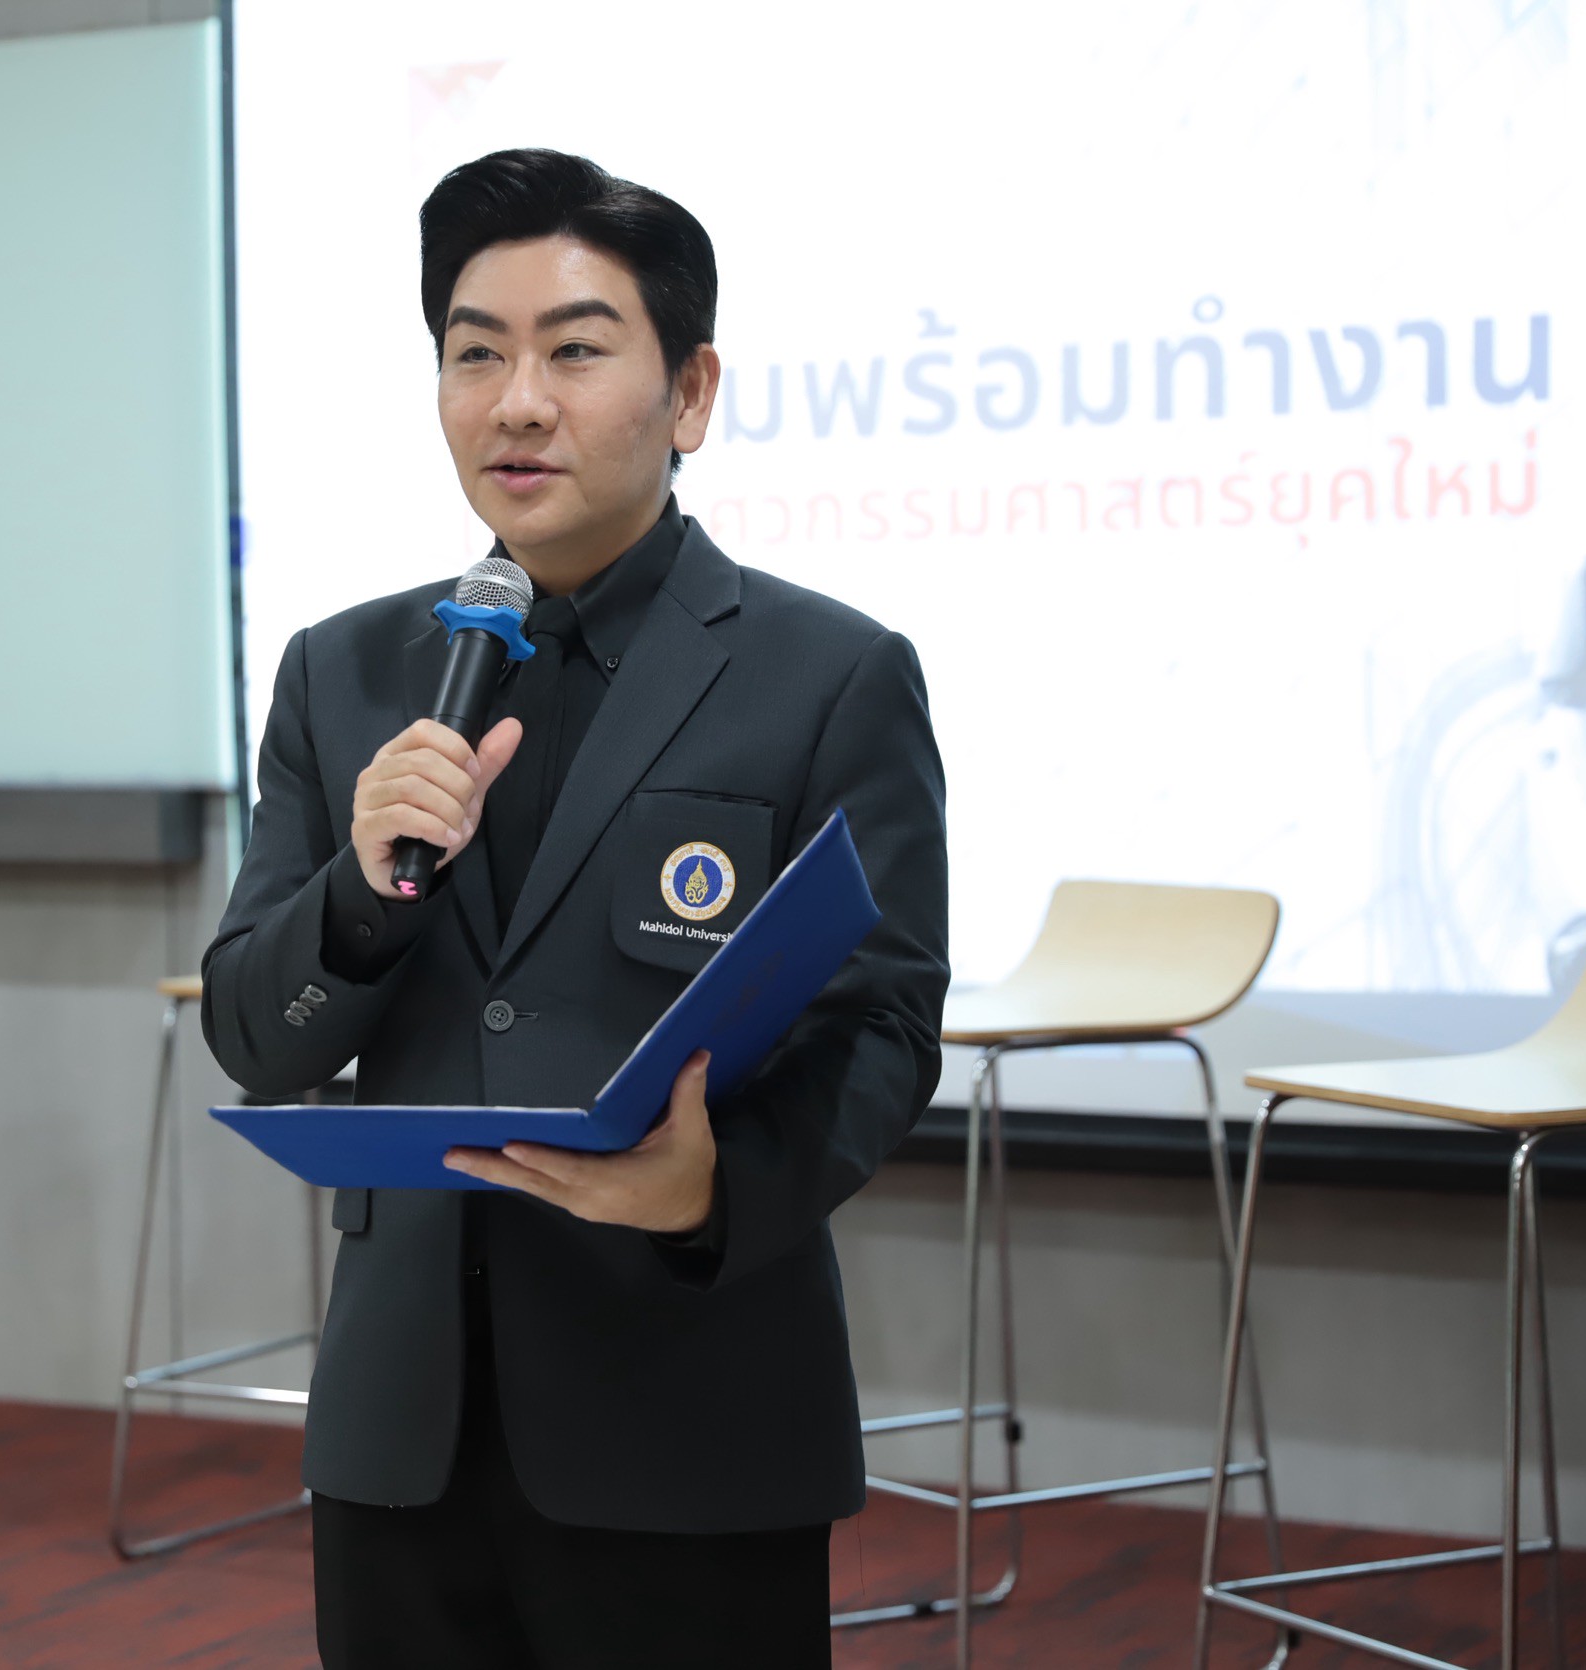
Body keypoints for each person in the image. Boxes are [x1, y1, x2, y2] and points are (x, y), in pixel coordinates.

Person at [201, 148, 948, 1668]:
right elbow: (254, 1034)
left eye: (575, 351)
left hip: (687, 1409)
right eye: (474, 354)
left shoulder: (827, 673)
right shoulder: (342, 671)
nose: (517, 403)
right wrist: (360, 895)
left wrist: (710, 1187)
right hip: (404, 1426)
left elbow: (881, 1026)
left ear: (690, 394)